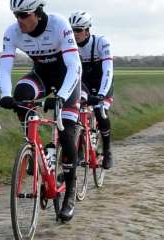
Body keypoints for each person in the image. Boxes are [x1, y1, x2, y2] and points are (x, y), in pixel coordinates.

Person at [0, 0, 82, 221]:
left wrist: (61, 98)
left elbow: (74, 65)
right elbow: (5, 68)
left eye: (24, 15)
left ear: (38, 12)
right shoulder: (12, 32)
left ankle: (70, 192)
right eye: (16, 15)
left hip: (68, 80)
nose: (19, 20)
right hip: (41, 77)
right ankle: (35, 149)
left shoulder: (59, 24)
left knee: (66, 132)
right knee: (20, 95)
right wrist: (5, 95)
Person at [69, 11, 114, 170]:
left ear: (88, 30)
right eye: (72, 30)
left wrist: (101, 94)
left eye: (79, 30)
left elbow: (108, 69)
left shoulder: (101, 42)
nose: (75, 34)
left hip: (102, 81)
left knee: (101, 112)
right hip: (85, 83)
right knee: (75, 112)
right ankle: (80, 147)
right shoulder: (69, 45)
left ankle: (107, 151)